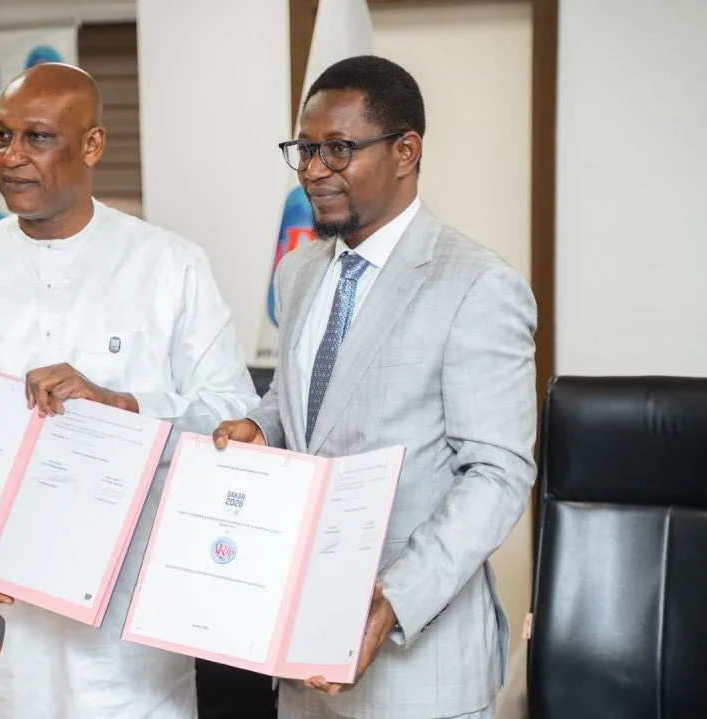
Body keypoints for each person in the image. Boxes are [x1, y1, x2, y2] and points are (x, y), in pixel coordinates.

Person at [0, 63, 258, 718]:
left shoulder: (169, 265)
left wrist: (125, 408)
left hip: (125, 638)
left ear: (92, 145)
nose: (11, 156)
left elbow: (235, 420)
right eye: (1, 136)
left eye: (37, 137)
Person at [213, 55, 539, 719]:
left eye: (338, 149)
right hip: (301, 656)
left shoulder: (478, 285)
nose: (313, 170)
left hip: (416, 671)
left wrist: (394, 597)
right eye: (305, 149)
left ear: (405, 152)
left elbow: (498, 473)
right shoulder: (299, 271)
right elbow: (300, 402)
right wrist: (261, 427)